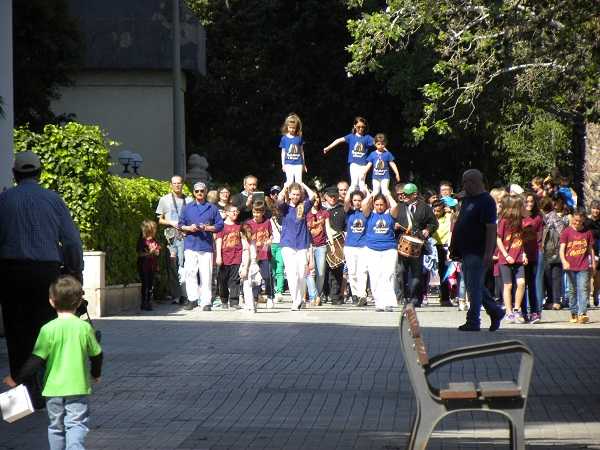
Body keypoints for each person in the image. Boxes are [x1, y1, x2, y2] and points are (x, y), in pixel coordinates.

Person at [0, 151, 83, 409]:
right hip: (46, 273)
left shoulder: (4, 200)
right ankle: (48, 392)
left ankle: (20, 399)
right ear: (40, 172)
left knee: (16, 334)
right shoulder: (52, 200)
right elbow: (71, 240)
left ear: (15, 174)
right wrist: (74, 270)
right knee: (47, 332)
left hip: (11, 272)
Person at [3, 275, 102, 450]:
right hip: (77, 387)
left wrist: (16, 378)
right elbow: (97, 354)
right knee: (76, 424)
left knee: (56, 427)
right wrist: (95, 373)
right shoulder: (84, 328)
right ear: (79, 303)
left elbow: (36, 360)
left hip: (52, 390)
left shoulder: (47, 329)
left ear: (51, 301)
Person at [450, 169, 505, 332]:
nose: (465, 185)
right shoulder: (468, 199)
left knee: (473, 287)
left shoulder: (486, 201)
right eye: (464, 182)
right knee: (475, 285)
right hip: (466, 250)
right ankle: (495, 311)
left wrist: (489, 252)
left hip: (478, 250)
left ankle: (473, 320)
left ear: (476, 182)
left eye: (468, 182)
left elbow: (491, 228)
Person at [178, 181, 224, 311]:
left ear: (205, 192)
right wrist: (189, 227)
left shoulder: (212, 208)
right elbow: (180, 224)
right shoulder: (187, 207)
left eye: (202, 191)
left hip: (206, 245)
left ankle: (206, 302)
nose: (199, 193)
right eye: (197, 191)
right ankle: (192, 299)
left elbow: (220, 225)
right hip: (191, 244)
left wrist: (208, 227)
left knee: (206, 274)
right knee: (190, 272)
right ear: (193, 193)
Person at [394, 183, 438, 306]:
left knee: (416, 273)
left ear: (414, 194)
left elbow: (434, 223)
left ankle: (415, 298)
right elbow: (392, 220)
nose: (404, 196)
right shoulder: (399, 207)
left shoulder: (425, 208)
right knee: (401, 271)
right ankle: (402, 296)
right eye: (403, 194)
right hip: (402, 243)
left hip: (418, 245)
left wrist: (428, 230)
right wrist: (395, 225)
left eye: (406, 194)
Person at [277, 182, 316, 310]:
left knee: (301, 274)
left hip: (302, 244)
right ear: (289, 194)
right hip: (287, 244)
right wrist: (285, 187)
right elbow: (279, 199)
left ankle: (301, 298)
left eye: (297, 194)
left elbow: (312, 196)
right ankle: (295, 300)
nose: (295, 196)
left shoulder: (303, 207)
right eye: (293, 194)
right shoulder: (285, 207)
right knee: (291, 273)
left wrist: (302, 184)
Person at [156, 175, 192, 305]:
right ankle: (176, 295)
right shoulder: (164, 199)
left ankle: (186, 294)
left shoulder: (189, 200)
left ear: (183, 184)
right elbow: (160, 219)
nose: (177, 185)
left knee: (185, 266)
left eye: (179, 183)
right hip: (170, 237)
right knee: (172, 266)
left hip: (186, 236)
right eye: (174, 183)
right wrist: (171, 222)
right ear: (171, 185)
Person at [362, 190, 400, 311]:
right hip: (372, 249)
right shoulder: (370, 215)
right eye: (377, 204)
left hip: (389, 249)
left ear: (385, 205)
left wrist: (387, 194)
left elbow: (395, 206)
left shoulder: (390, 215)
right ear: (373, 204)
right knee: (375, 275)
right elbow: (364, 205)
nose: (379, 207)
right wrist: (371, 194)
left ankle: (389, 302)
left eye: (381, 204)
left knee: (388, 274)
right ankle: (379, 303)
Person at [560, 210, 595, 324]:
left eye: (579, 221)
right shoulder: (566, 232)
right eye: (575, 220)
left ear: (583, 220)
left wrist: (593, 263)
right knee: (572, 290)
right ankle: (573, 312)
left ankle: (582, 313)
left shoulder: (587, 233)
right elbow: (562, 249)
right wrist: (564, 261)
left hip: (583, 265)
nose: (577, 223)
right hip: (570, 266)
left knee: (583, 289)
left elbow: (591, 250)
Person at [497, 195, 528, 323]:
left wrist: (524, 253)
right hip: (506, 259)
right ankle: (508, 312)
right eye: (520, 206)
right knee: (508, 285)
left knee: (521, 283)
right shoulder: (503, 221)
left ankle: (516, 310)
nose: (523, 208)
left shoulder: (521, 221)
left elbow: (523, 239)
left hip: (519, 257)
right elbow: (498, 239)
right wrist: (506, 255)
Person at [322, 117, 374, 192]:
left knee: (362, 184)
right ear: (354, 126)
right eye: (358, 127)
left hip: (363, 165)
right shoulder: (351, 136)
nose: (360, 129)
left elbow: (379, 144)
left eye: (363, 127)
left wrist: (386, 152)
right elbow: (339, 140)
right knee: (354, 183)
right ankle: (348, 202)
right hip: (354, 163)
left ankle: (363, 201)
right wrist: (328, 148)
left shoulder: (367, 138)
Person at [244, 201, 274, 307]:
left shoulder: (267, 222)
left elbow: (271, 235)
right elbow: (246, 238)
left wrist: (270, 240)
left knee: (267, 276)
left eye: (258, 212)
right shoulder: (249, 224)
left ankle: (270, 296)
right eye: (254, 212)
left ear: (263, 212)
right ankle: (255, 298)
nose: (256, 215)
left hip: (265, 254)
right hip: (254, 255)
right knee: (255, 277)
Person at [215, 205, 243, 310]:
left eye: (237, 211)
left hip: (236, 256)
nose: (235, 213)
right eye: (233, 211)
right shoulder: (221, 226)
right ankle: (224, 300)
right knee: (223, 280)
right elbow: (219, 241)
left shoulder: (239, 226)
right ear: (226, 212)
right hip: (224, 256)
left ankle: (234, 301)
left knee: (235, 279)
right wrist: (218, 256)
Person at [343, 189, 368, 306]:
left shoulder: (366, 213)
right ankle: (355, 294)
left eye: (359, 200)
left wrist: (366, 190)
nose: (357, 202)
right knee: (352, 272)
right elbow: (346, 201)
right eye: (355, 200)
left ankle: (362, 295)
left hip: (363, 246)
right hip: (350, 246)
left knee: (362, 272)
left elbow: (369, 201)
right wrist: (352, 187)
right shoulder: (348, 213)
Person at [522, 193, 544, 323]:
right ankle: (524, 312)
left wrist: (540, 250)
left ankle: (535, 312)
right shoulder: (519, 218)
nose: (529, 204)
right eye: (526, 201)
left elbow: (540, 237)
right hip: (521, 255)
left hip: (534, 254)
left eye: (531, 201)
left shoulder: (538, 217)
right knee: (522, 284)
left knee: (533, 284)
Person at [323, 186, 347, 305]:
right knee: (323, 270)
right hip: (322, 243)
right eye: (330, 196)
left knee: (337, 270)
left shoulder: (342, 209)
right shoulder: (321, 209)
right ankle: (324, 293)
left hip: (338, 244)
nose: (333, 198)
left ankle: (335, 296)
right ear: (325, 196)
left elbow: (346, 227)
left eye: (335, 196)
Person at [306, 195, 329, 306]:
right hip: (309, 245)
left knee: (321, 273)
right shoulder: (306, 212)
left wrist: (332, 243)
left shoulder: (324, 212)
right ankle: (313, 296)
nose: (316, 200)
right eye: (313, 198)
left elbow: (328, 228)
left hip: (321, 245)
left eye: (317, 198)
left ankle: (317, 295)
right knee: (310, 272)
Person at [431, 199, 453, 306]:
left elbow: (455, 218)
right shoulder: (431, 218)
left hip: (444, 247)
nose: (436, 213)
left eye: (438, 211)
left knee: (444, 272)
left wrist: (451, 211)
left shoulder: (448, 218)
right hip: (432, 246)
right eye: (434, 210)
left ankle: (445, 298)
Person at [136, 220, 161, 311]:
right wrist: (150, 252)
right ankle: (144, 302)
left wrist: (156, 251)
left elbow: (157, 252)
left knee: (150, 284)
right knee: (145, 283)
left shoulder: (154, 240)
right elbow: (139, 254)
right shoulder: (142, 241)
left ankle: (149, 302)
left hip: (152, 264)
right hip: (143, 265)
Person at [239, 225, 262, 313]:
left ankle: (250, 306)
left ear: (241, 233)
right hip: (254, 265)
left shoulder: (245, 243)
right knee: (253, 287)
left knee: (247, 287)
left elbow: (246, 256)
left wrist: (245, 268)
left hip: (248, 266)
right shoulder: (253, 241)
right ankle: (252, 306)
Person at [280, 113, 307, 186]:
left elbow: (301, 151)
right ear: (287, 127)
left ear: (296, 128)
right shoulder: (284, 138)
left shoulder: (299, 138)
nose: (291, 129)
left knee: (299, 182)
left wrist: (304, 164)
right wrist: (283, 164)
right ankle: (287, 196)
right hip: (288, 163)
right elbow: (283, 152)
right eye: (290, 127)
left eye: (293, 128)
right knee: (289, 182)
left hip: (298, 163)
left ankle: (299, 196)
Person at [269, 193, 286, 302]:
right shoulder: (268, 220)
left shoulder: (284, 219)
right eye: (274, 209)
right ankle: (273, 289)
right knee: (272, 269)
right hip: (271, 245)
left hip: (281, 245)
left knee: (280, 268)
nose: (276, 211)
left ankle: (279, 291)